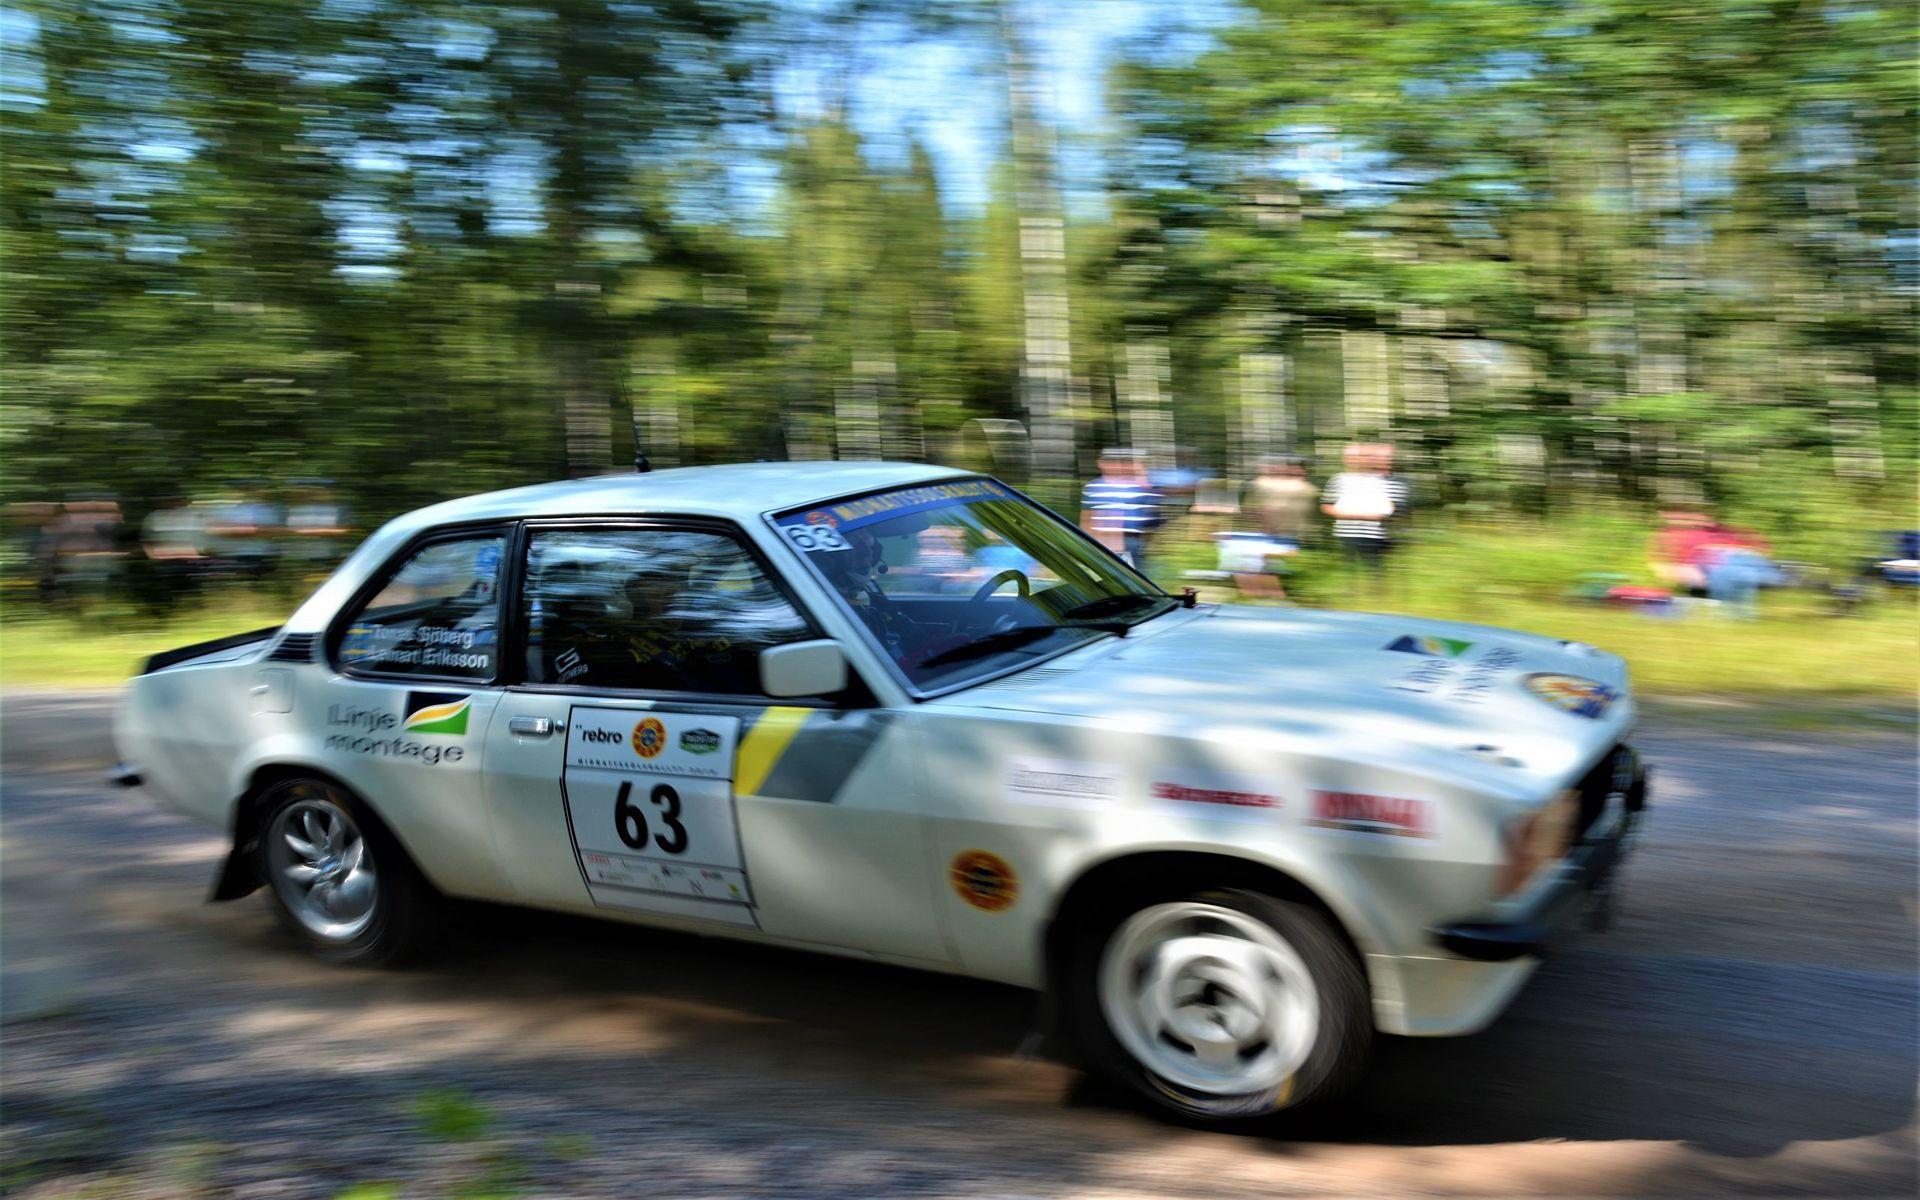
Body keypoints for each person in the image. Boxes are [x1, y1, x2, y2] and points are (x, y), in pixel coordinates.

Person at [1320, 443, 1408, 577]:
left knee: (1375, 572)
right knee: (1350, 572)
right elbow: (1326, 506)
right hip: (1346, 533)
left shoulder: (1381, 480)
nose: (1355, 460)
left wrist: (1373, 515)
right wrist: (1358, 515)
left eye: (1361, 456)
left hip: (1375, 535)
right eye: (1350, 457)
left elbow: (1389, 509)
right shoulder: (1338, 479)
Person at [1080, 449, 1165, 570]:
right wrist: (1085, 543)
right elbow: (1087, 518)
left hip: (1133, 541)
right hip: (1103, 541)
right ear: (1100, 463)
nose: (1113, 465)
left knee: (1134, 579)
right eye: (1108, 462)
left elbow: (1152, 511)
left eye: (1116, 462)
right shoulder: (1093, 487)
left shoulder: (1137, 485)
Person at [1248, 457, 1317, 546]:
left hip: (1295, 532)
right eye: (1292, 470)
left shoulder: (1307, 489)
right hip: (1274, 531)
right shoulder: (1273, 485)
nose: (1294, 472)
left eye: (1297, 470)